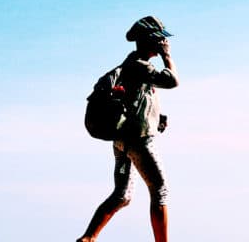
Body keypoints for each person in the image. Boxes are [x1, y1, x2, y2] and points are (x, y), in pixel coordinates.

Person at [77, 16, 179, 242]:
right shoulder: (139, 65)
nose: (163, 43)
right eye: (160, 40)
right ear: (150, 40)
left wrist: (157, 116)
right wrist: (167, 56)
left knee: (122, 195)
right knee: (160, 190)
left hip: (122, 142)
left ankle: (88, 239)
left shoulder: (132, 66)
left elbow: (138, 99)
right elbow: (172, 80)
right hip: (139, 142)